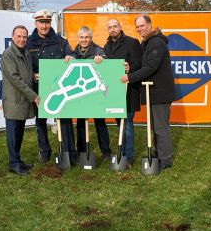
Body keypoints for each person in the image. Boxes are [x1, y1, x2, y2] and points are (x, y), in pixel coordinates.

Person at [120, 14, 175, 171]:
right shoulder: (147, 43)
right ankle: (157, 155)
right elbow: (143, 66)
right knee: (155, 127)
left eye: (142, 26)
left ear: (150, 25)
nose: (139, 29)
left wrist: (129, 77)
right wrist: (129, 68)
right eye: (137, 27)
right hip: (152, 93)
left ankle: (165, 161)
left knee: (160, 128)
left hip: (160, 93)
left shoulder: (156, 42)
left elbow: (151, 67)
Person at [26, 9, 76, 163]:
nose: (45, 26)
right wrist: (32, 74)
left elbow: (72, 54)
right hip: (38, 88)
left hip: (58, 88)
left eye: (47, 22)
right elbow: (23, 64)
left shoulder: (60, 41)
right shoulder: (28, 42)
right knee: (41, 120)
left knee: (64, 120)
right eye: (41, 22)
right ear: (36, 23)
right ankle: (44, 152)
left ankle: (68, 152)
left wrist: (71, 56)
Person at [1, 25, 39, 176]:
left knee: (19, 133)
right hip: (14, 101)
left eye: (24, 37)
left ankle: (17, 160)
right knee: (13, 134)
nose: (22, 39)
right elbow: (15, 79)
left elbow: (26, 74)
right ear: (12, 37)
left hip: (23, 101)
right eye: (19, 36)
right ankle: (13, 163)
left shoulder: (26, 53)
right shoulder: (8, 55)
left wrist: (34, 76)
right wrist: (33, 96)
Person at [104, 19, 142, 168]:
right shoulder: (107, 46)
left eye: (115, 26)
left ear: (120, 27)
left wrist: (129, 67)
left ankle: (129, 157)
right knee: (119, 123)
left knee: (127, 123)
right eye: (110, 27)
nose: (112, 29)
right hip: (114, 92)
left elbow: (140, 64)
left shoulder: (132, 43)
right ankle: (121, 151)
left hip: (129, 91)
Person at [73, 26, 112, 160]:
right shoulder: (74, 53)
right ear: (78, 38)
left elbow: (107, 65)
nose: (84, 40)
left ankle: (106, 152)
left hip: (95, 92)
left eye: (86, 37)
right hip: (81, 93)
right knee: (81, 123)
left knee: (100, 123)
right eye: (81, 37)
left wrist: (102, 59)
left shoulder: (98, 50)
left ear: (91, 38)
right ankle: (81, 151)